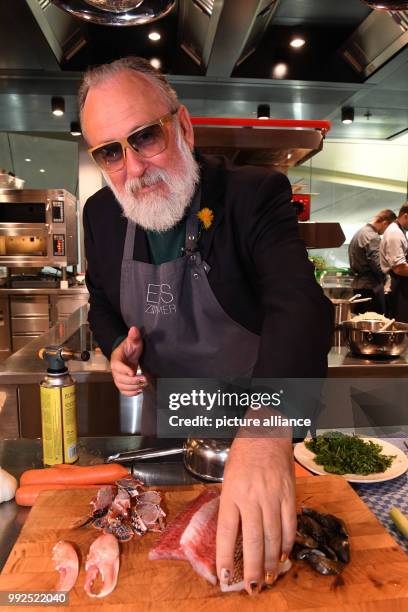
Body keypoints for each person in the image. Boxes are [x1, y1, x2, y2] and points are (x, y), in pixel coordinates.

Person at [79, 57, 333, 594]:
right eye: (109, 152)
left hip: (259, 419)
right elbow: (100, 299)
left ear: (184, 126)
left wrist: (267, 430)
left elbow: (301, 304)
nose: (134, 167)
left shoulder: (252, 193)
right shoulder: (100, 214)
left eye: (145, 137)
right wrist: (112, 348)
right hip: (171, 429)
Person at [348, 209, 396, 314]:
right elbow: (379, 266)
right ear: (385, 223)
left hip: (358, 286)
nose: (385, 233)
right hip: (370, 287)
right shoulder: (373, 237)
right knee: (373, 323)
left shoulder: (360, 232)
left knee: (360, 322)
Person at [380, 202, 408, 322]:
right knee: (401, 327)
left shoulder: (400, 231)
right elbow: (400, 268)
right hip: (399, 288)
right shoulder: (395, 233)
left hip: (402, 286)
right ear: (406, 216)